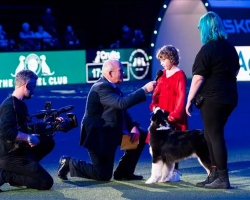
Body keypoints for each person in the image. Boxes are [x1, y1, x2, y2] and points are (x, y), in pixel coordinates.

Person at [57, 59, 156, 181]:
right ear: (110, 73)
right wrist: (145, 89)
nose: (123, 72)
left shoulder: (111, 87)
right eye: (120, 70)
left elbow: (121, 111)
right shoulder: (101, 88)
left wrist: (132, 126)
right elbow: (121, 103)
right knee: (102, 175)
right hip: (98, 136)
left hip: (110, 131)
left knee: (140, 135)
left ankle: (123, 172)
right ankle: (68, 162)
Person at [185, 11, 240, 189]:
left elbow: (198, 77)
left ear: (206, 28)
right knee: (210, 135)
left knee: (214, 135)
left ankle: (222, 178)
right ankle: (214, 175)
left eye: (201, 27)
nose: (199, 30)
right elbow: (236, 70)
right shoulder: (229, 47)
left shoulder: (208, 49)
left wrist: (189, 100)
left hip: (213, 99)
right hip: (230, 96)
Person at [0, 69, 55, 190]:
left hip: (19, 150)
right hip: (9, 155)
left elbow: (25, 127)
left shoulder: (21, 104)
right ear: (26, 85)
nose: (34, 90)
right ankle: (4, 174)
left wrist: (52, 125)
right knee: (46, 182)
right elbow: (5, 131)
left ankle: (22, 172)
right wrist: (28, 137)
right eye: (33, 87)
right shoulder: (9, 105)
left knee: (47, 142)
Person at [147, 45, 188, 182]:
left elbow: (182, 96)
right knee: (159, 143)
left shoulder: (180, 74)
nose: (162, 63)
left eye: (163, 59)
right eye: (160, 60)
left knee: (174, 144)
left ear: (171, 58)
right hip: (161, 113)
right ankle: (161, 172)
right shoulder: (162, 75)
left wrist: (175, 114)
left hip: (173, 114)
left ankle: (174, 171)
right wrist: (154, 106)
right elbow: (156, 93)